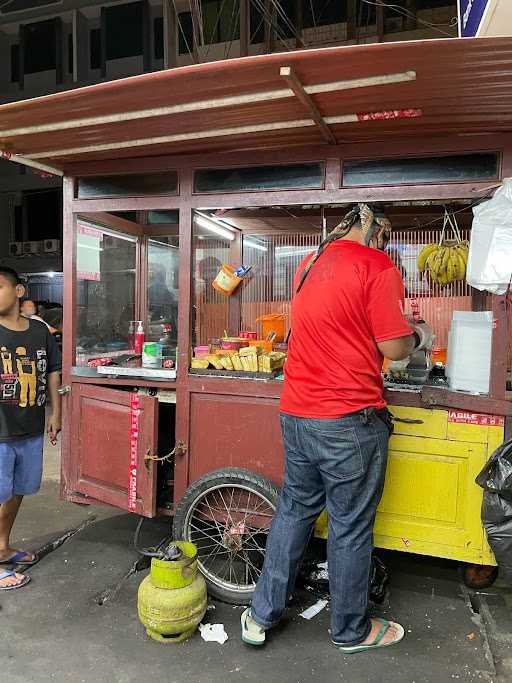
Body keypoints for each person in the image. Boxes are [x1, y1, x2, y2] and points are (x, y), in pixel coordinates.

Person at [241, 204, 419, 653]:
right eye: (384, 232)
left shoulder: (310, 261)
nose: (385, 241)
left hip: (297, 412)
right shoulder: (377, 265)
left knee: (294, 510)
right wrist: (418, 334)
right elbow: (394, 348)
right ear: (371, 226)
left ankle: (260, 615)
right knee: (350, 526)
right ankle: (350, 631)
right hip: (346, 419)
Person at [0, 268, 61, 591]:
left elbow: (52, 371)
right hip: (1, 431)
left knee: (17, 492)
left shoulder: (40, 333)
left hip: (31, 427)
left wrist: (56, 413)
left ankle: (3, 547)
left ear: (19, 291)